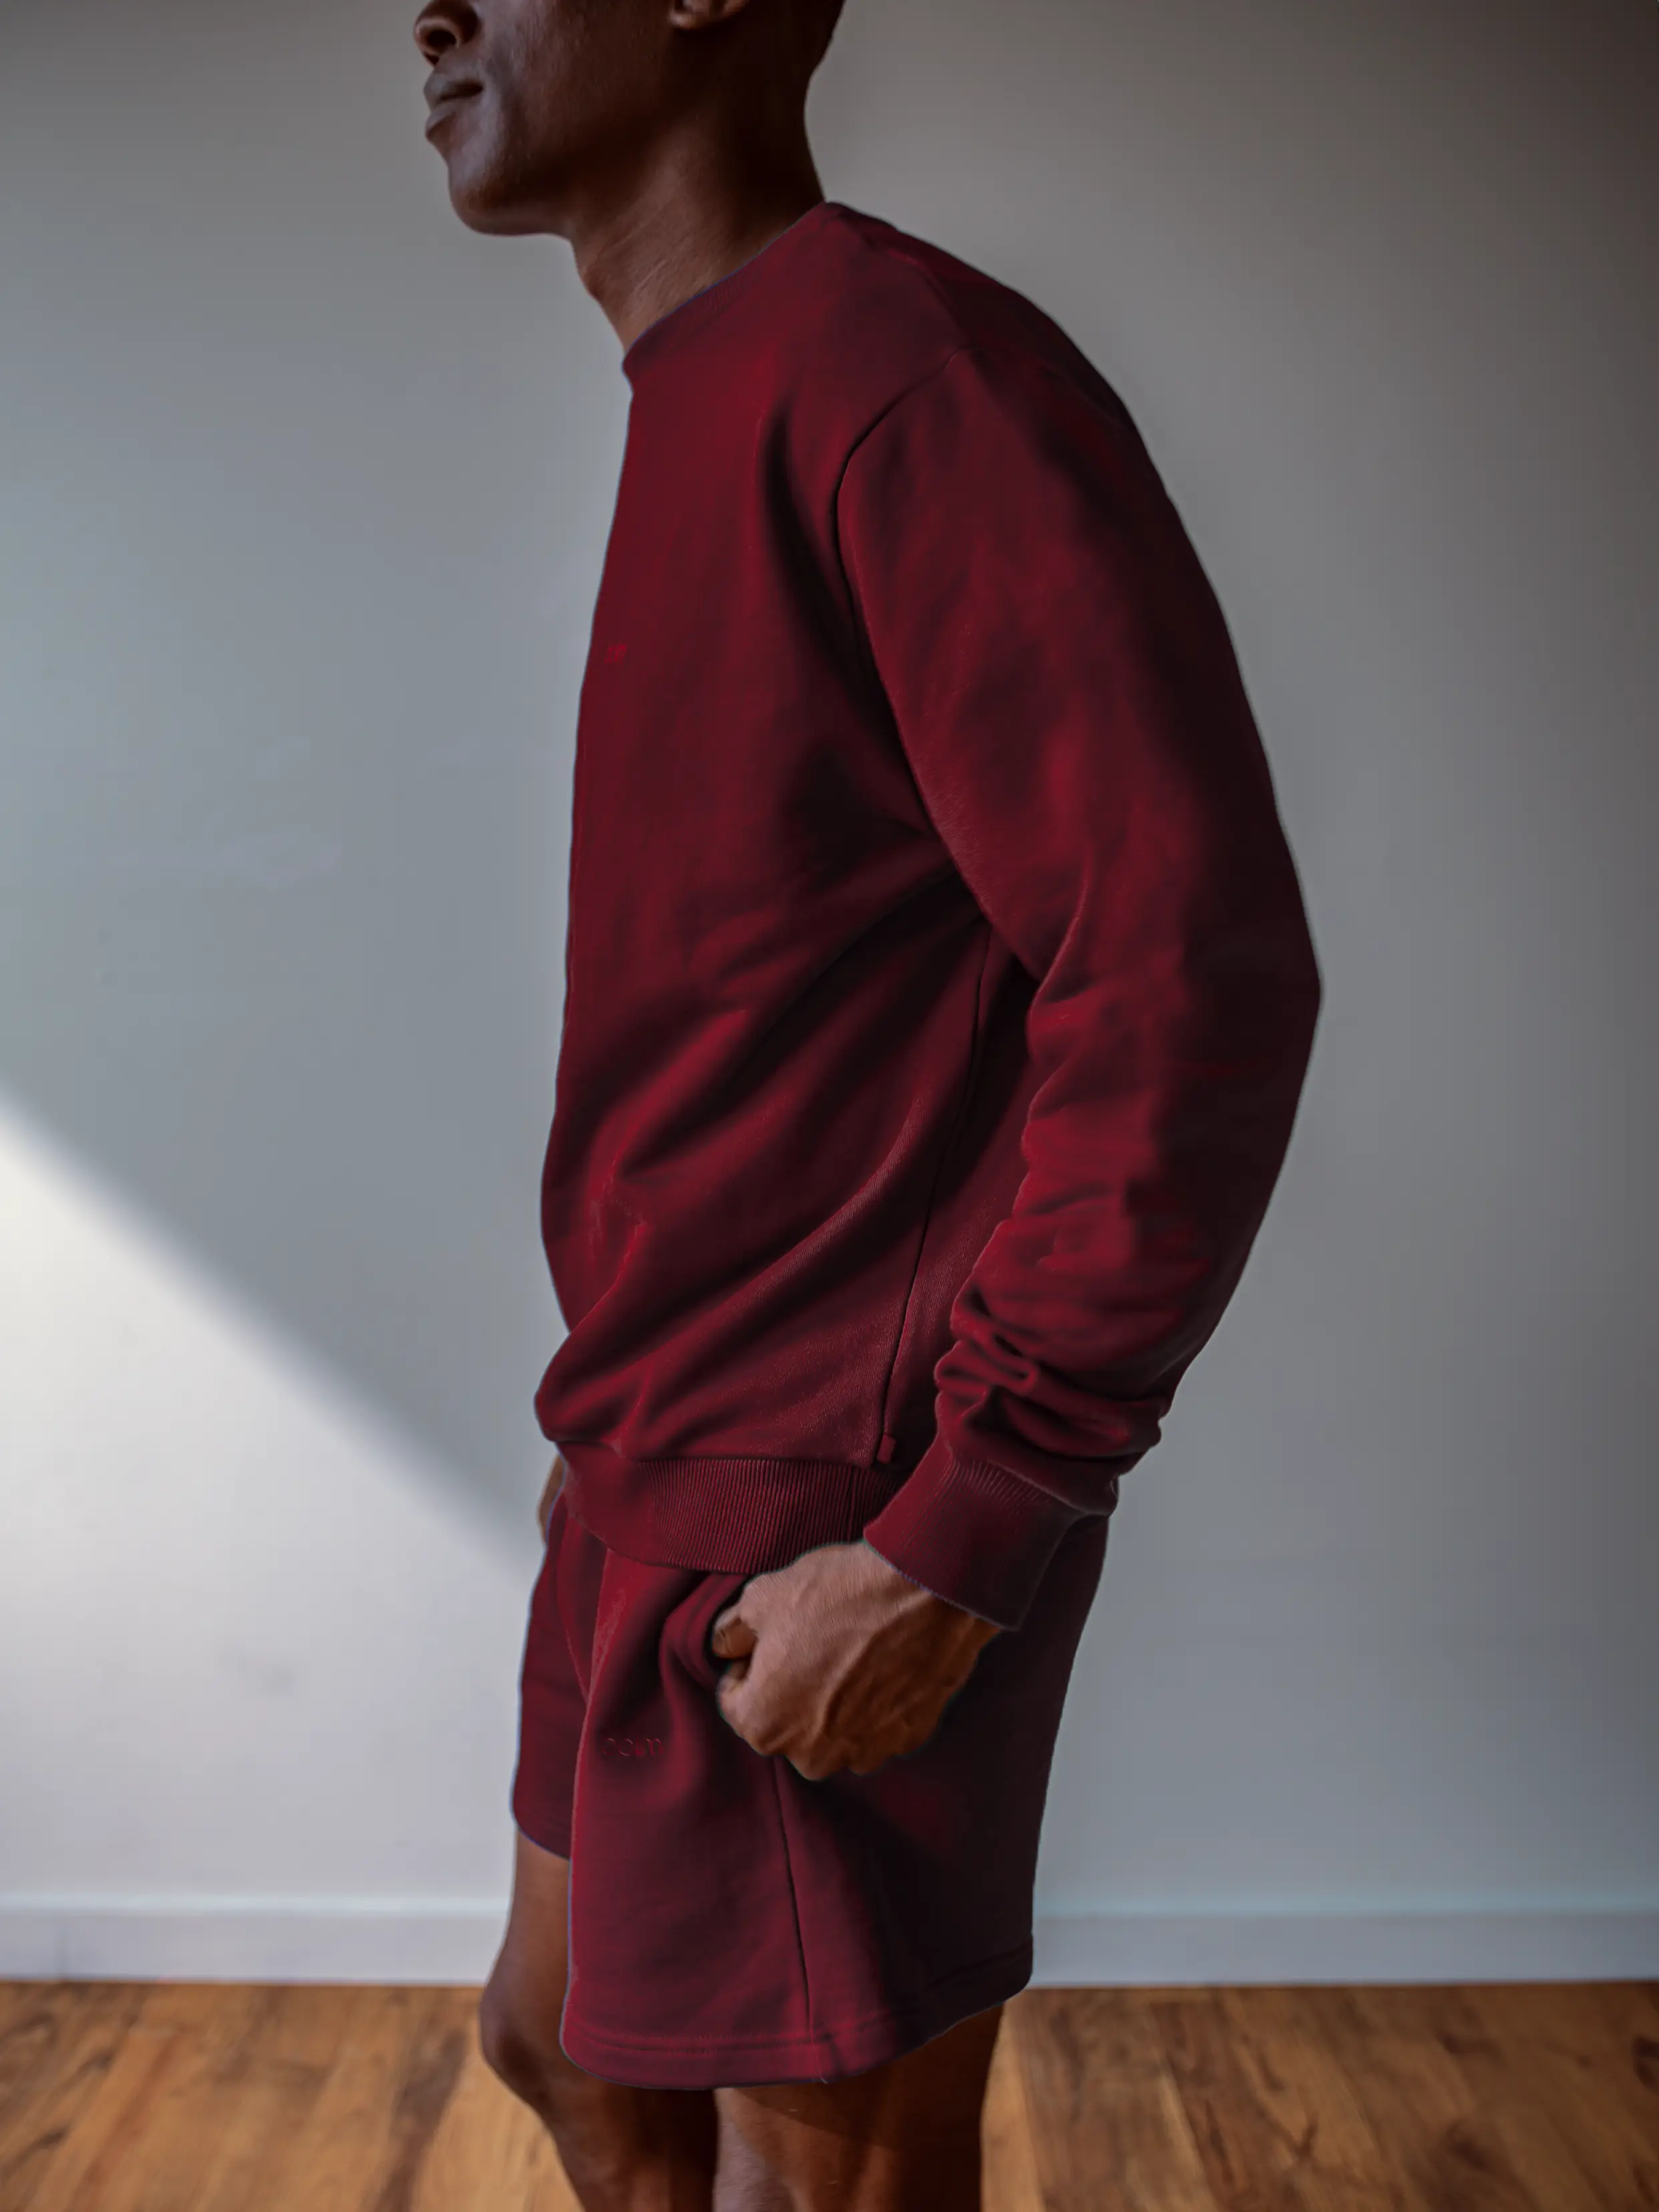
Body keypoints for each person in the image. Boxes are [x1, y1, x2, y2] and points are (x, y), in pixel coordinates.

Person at [411, 1, 1322, 2204]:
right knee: (563, 2054)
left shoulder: (911, 381)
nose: (426, 7)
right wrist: (621, 1431)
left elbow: (1190, 974)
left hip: (835, 1490)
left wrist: (963, 1531)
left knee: (820, 2173)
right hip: (654, 1438)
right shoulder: (711, 380)